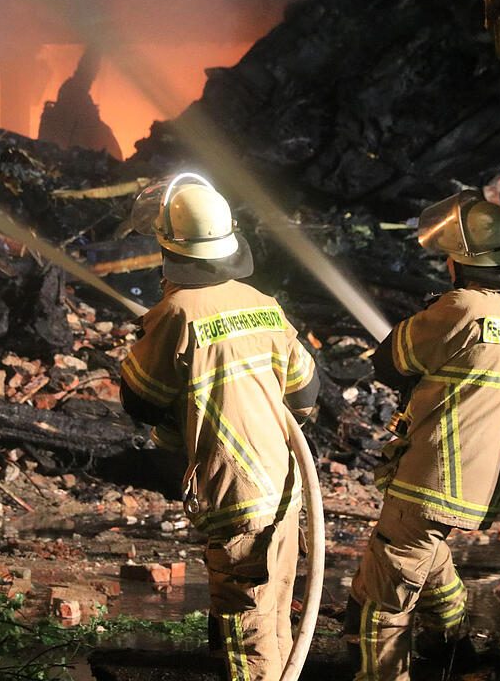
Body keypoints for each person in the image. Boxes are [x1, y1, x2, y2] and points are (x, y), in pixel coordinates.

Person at [119, 174, 320, 681]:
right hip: (285, 492)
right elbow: (306, 395)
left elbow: (140, 400)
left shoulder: (177, 312)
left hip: (236, 497)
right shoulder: (264, 306)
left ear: (169, 246)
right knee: (272, 626)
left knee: (245, 644)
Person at [346, 190, 500, 680]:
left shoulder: (463, 308)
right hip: (485, 486)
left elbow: (388, 362)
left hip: (431, 475)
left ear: (461, 263)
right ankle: (452, 651)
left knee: (382, 594)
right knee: (423, 552)